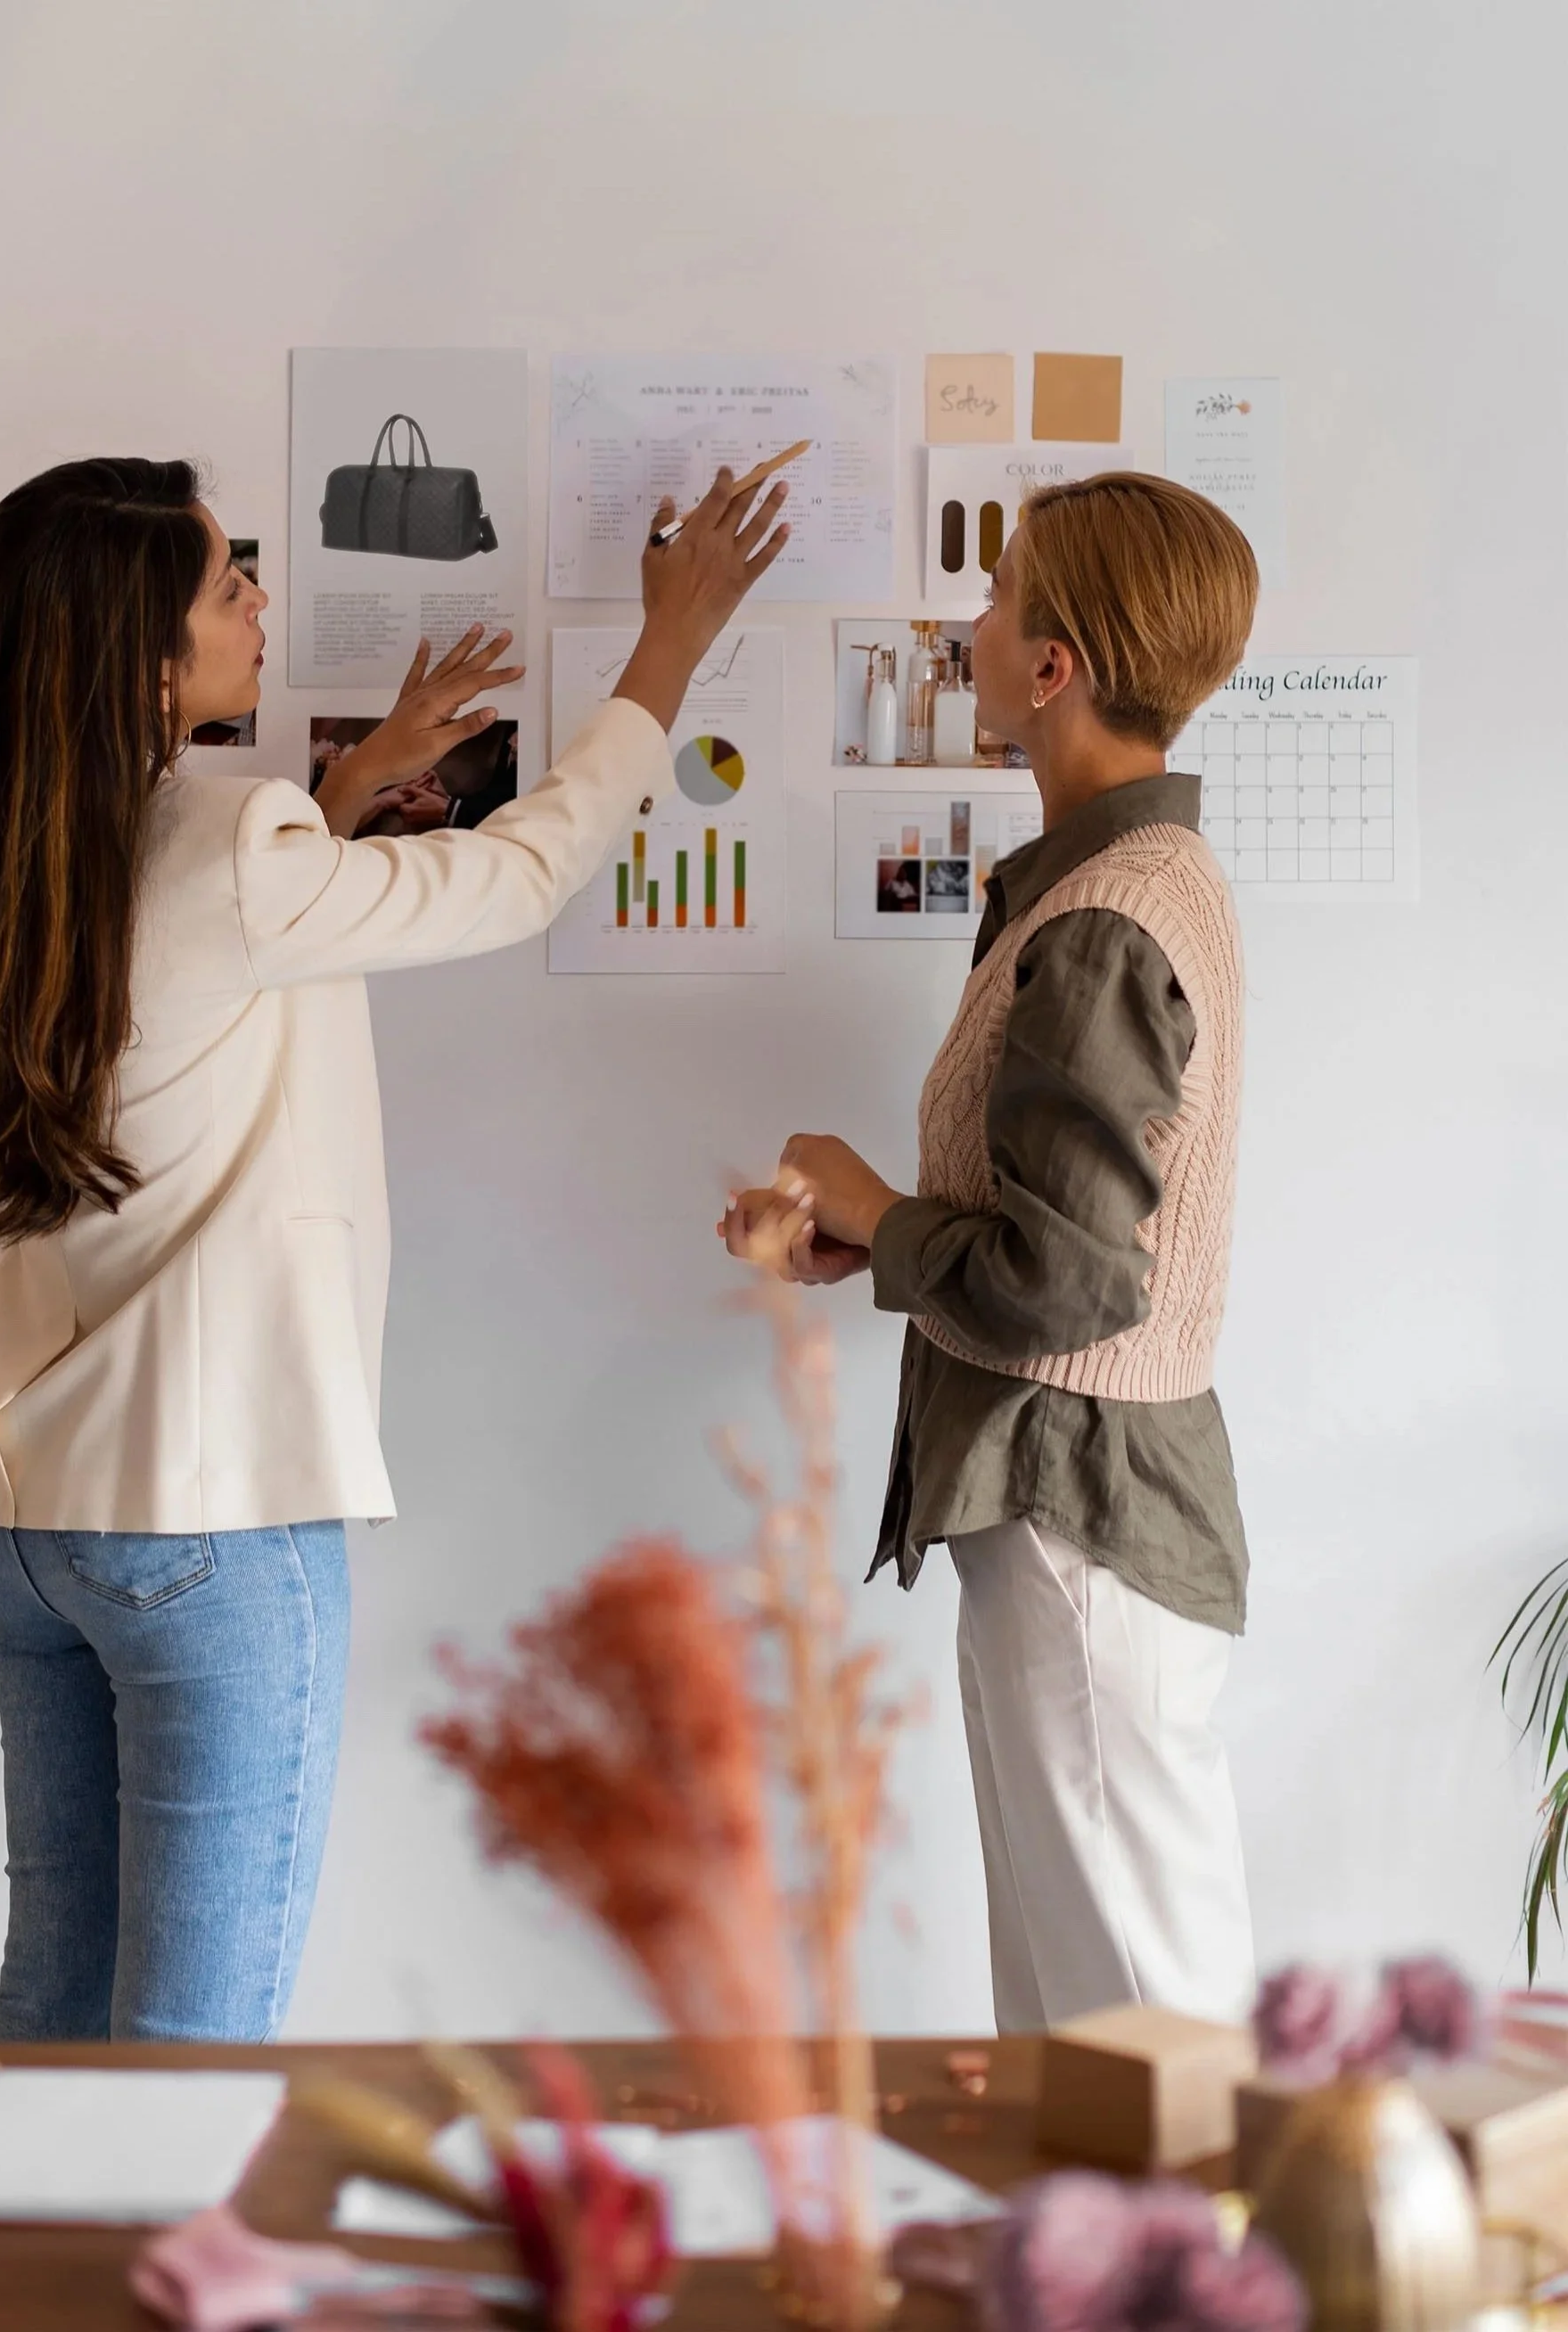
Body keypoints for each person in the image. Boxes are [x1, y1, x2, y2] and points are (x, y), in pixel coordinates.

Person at [0, 455, 787, 2042]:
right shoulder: (236, 849)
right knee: (193, 2047)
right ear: (147, 657)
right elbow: (517, 876)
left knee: (48, 2011)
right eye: (227, 585)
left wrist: (353, 777)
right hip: (209, 1519)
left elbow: (176, 934)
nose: (262, 601)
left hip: (27, 1515)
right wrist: (671, 648)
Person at [720, 474, 1259, 2031]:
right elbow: (1061, 1234)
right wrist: (873, 1241)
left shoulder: (1103, 916)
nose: (967, 623)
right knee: (1086, 2024)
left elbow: (1068, 1281)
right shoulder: (1115, 887)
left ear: (1053, 668)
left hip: (1080, 1517)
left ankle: (1211, 2281)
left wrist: (876, 1207)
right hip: (1070, 1508)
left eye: (999, 594)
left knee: (1144, 2028)